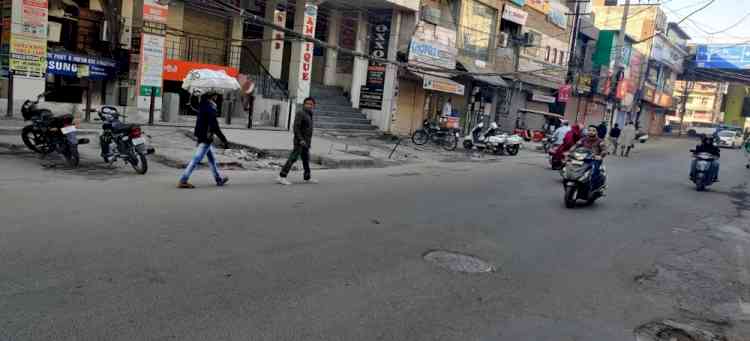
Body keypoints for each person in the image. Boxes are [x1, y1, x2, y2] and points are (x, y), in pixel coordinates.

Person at [178, 91, 230, 188]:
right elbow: (215, 126)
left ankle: (218, 179)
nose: (217, 97)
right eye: (216, 95)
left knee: (211, 160)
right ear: (212, 97)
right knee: (196, 159)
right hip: (206, 137)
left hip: (202, 135)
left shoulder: (203, 105)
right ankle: (183, 180)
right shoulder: (210, 108)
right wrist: (224, 140)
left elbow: (201, 121)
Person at [277, 97, 317, 185]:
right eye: (307, 104)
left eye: (311, 104)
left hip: (306, 142)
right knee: (293, 158)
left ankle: (307, 177)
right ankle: (281, 176)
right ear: (304, 104)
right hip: (300, 141)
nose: (309, 105)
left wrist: (307, 142)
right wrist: (301, 140)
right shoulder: (300, 113)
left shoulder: (310, 114)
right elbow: (296, 128)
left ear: (313, 105)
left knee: (306, 160)